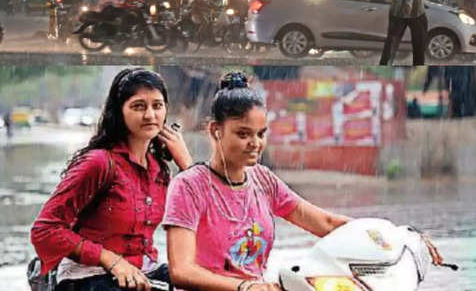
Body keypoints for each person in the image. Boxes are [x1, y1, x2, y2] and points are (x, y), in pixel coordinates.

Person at [162, 72, 444, 291]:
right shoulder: (189, 186)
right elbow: (182, 271)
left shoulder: (263, 180)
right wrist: (245, 286)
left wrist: (401, 237)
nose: (255, 143)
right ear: (216, 131)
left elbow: (326, 224)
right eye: (243, 134)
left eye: (261, 134)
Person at [31, 68, 193, 291]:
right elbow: (44, 230)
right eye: (138, 106)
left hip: (144, 272)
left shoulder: (160, 170)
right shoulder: (99, 163)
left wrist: (187, 164)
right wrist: (110, 259)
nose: (150, 115)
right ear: (119, 112)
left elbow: (212, 223)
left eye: (157, 105)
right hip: (89, 277)